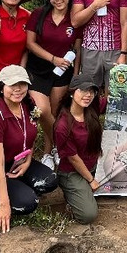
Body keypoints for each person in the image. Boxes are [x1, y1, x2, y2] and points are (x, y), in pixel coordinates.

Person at [0, 65, 58, 233]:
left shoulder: (27, 104)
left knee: (50, 181)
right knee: (29, 203)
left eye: (22, 84)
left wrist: (28, 161)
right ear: (1, 87)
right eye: (12, 84)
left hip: (18, 160)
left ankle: (16, 186)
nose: (18, 89)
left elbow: (30, 136)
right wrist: (5, 204)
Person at [26, 0, 81, 167]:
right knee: (42, 111)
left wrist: (76, 74)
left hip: (63, 71)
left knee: (55, 113)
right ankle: (62, 144)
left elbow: (77, 48)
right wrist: (52, 58)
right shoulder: (39, 14)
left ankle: (49, 153)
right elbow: (30, 43)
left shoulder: (74, 18)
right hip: (38, 69)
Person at [54, 75, 104, 224]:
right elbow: (73, 158)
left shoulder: (91, 108)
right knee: (88, 215)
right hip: (73, 172)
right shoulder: (62, 125)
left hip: (95, 165)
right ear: (71, 92)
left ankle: (83, 192)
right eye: (83, 90)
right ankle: (72, 194)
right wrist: (91, 180)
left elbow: (116, 100)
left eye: (91, 91)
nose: (88, 95)